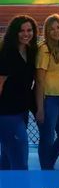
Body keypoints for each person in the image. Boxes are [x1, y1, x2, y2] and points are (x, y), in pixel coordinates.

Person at [0, 15, 38, 170]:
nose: (26, 34)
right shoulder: (7, 53)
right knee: (20, 155)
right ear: (14, 32)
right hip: (7, 112)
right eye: (21, 30)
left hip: (22, 111)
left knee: (8, 155)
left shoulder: (30, 51)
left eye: (29, 30)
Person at [35, 14, 59, 170]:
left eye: (58, 27)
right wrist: (40, 108)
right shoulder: (44, 49)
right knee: (47, 137)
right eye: (51, 29)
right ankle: (47, 168)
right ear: (47, 32)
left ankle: (48, 164)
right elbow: (39, 80)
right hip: (48, 97)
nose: (56, 31)